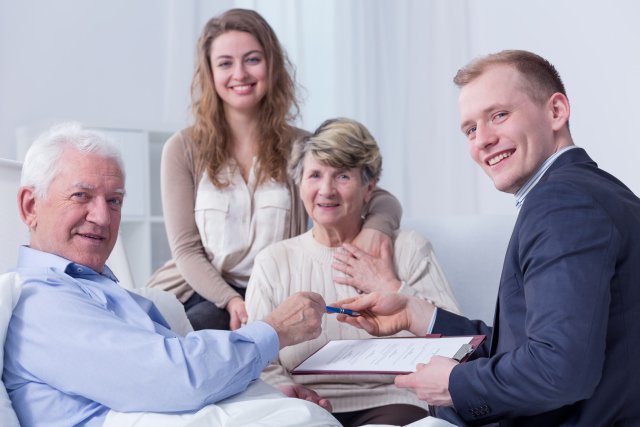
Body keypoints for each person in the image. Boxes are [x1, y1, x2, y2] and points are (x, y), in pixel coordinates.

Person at [335, 50, 640, 426]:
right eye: (470, 130)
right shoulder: (591, 192)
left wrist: (454, 384)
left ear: (556, 111)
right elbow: (532, 348)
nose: (483, 140)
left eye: (499, 115)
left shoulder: (562, 203)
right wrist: (416, 314)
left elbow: (557, 371)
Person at [4, 123, 341, 427]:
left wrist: (256, 396)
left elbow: (167, 384)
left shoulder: (101, 291)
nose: (103, 218)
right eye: (81, 196)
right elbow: (178, 379)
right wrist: (274, 330)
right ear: (30, 207)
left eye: (114, 201)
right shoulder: (39, 301)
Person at [147, 8, 402, 331]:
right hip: (204, 292)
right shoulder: (182, 149)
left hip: (276, 290)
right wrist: (232, 301)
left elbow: (379, 197)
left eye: (252, 59)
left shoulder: (302, 146)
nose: (240, 73)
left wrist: (376, 229)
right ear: (209, 73)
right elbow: (186, 249)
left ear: (272, 65)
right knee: (195, 337)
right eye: (225, 63)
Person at [245, 118, 461, 427]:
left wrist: (393, 286)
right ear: (300, 183)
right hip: (302, 407)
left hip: (394, 401)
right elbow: (258, 357)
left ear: (369, 186)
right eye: (315, 175)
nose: (326, 190)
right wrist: (285, 391)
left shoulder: (409, 249)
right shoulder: (273, 261)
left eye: (343, 176)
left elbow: (459, 342)